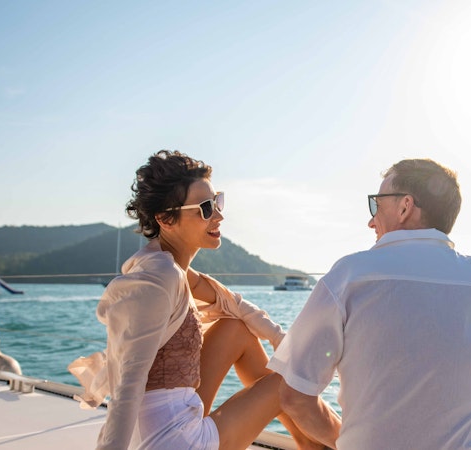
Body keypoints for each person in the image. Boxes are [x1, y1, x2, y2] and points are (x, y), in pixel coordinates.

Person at [68, 150, 326, 450]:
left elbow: (230, 302)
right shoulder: (158, 279)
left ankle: (316, 446)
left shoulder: (171, 267)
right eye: (205, 208)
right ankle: (350, 444)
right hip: (170, 440)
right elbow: (128, 383)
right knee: (287, 382)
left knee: (235, 329)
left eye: (217, 201)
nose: (219, 214)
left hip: (174, 416)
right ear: (166, 218)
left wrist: (277, 336)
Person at [267, 158, 471, 449]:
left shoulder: (349, 277)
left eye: (376, 204)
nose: (371, 219)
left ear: (404, 207)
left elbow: (295, 397)